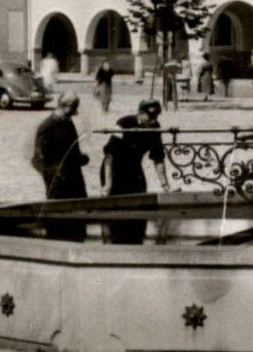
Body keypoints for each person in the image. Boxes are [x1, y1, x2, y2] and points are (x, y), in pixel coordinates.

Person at [101, 99, 171, 245]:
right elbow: (109, 155)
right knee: (114, 209)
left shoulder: (154, 127)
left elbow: (158, 157)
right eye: (150, 117)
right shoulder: (124, 123)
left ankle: (137, 244)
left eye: (156, 117)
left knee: (140, 204)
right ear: (140, 113)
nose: (153, 120)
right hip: (114, 169)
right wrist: (107, 185)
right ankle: (112, 244)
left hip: (134, 169)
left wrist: (165, 185)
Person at [31, 91, 89, 240]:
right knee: (57, 217)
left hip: (74, 176)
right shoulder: (47, 126)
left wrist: (80, 158)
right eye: (74, 108)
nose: (74, 113)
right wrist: (52, 174)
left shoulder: (67, 121)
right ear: (68, 107)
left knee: (79, 213)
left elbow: (71, 149)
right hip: (58, 180)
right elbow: (37, 158)